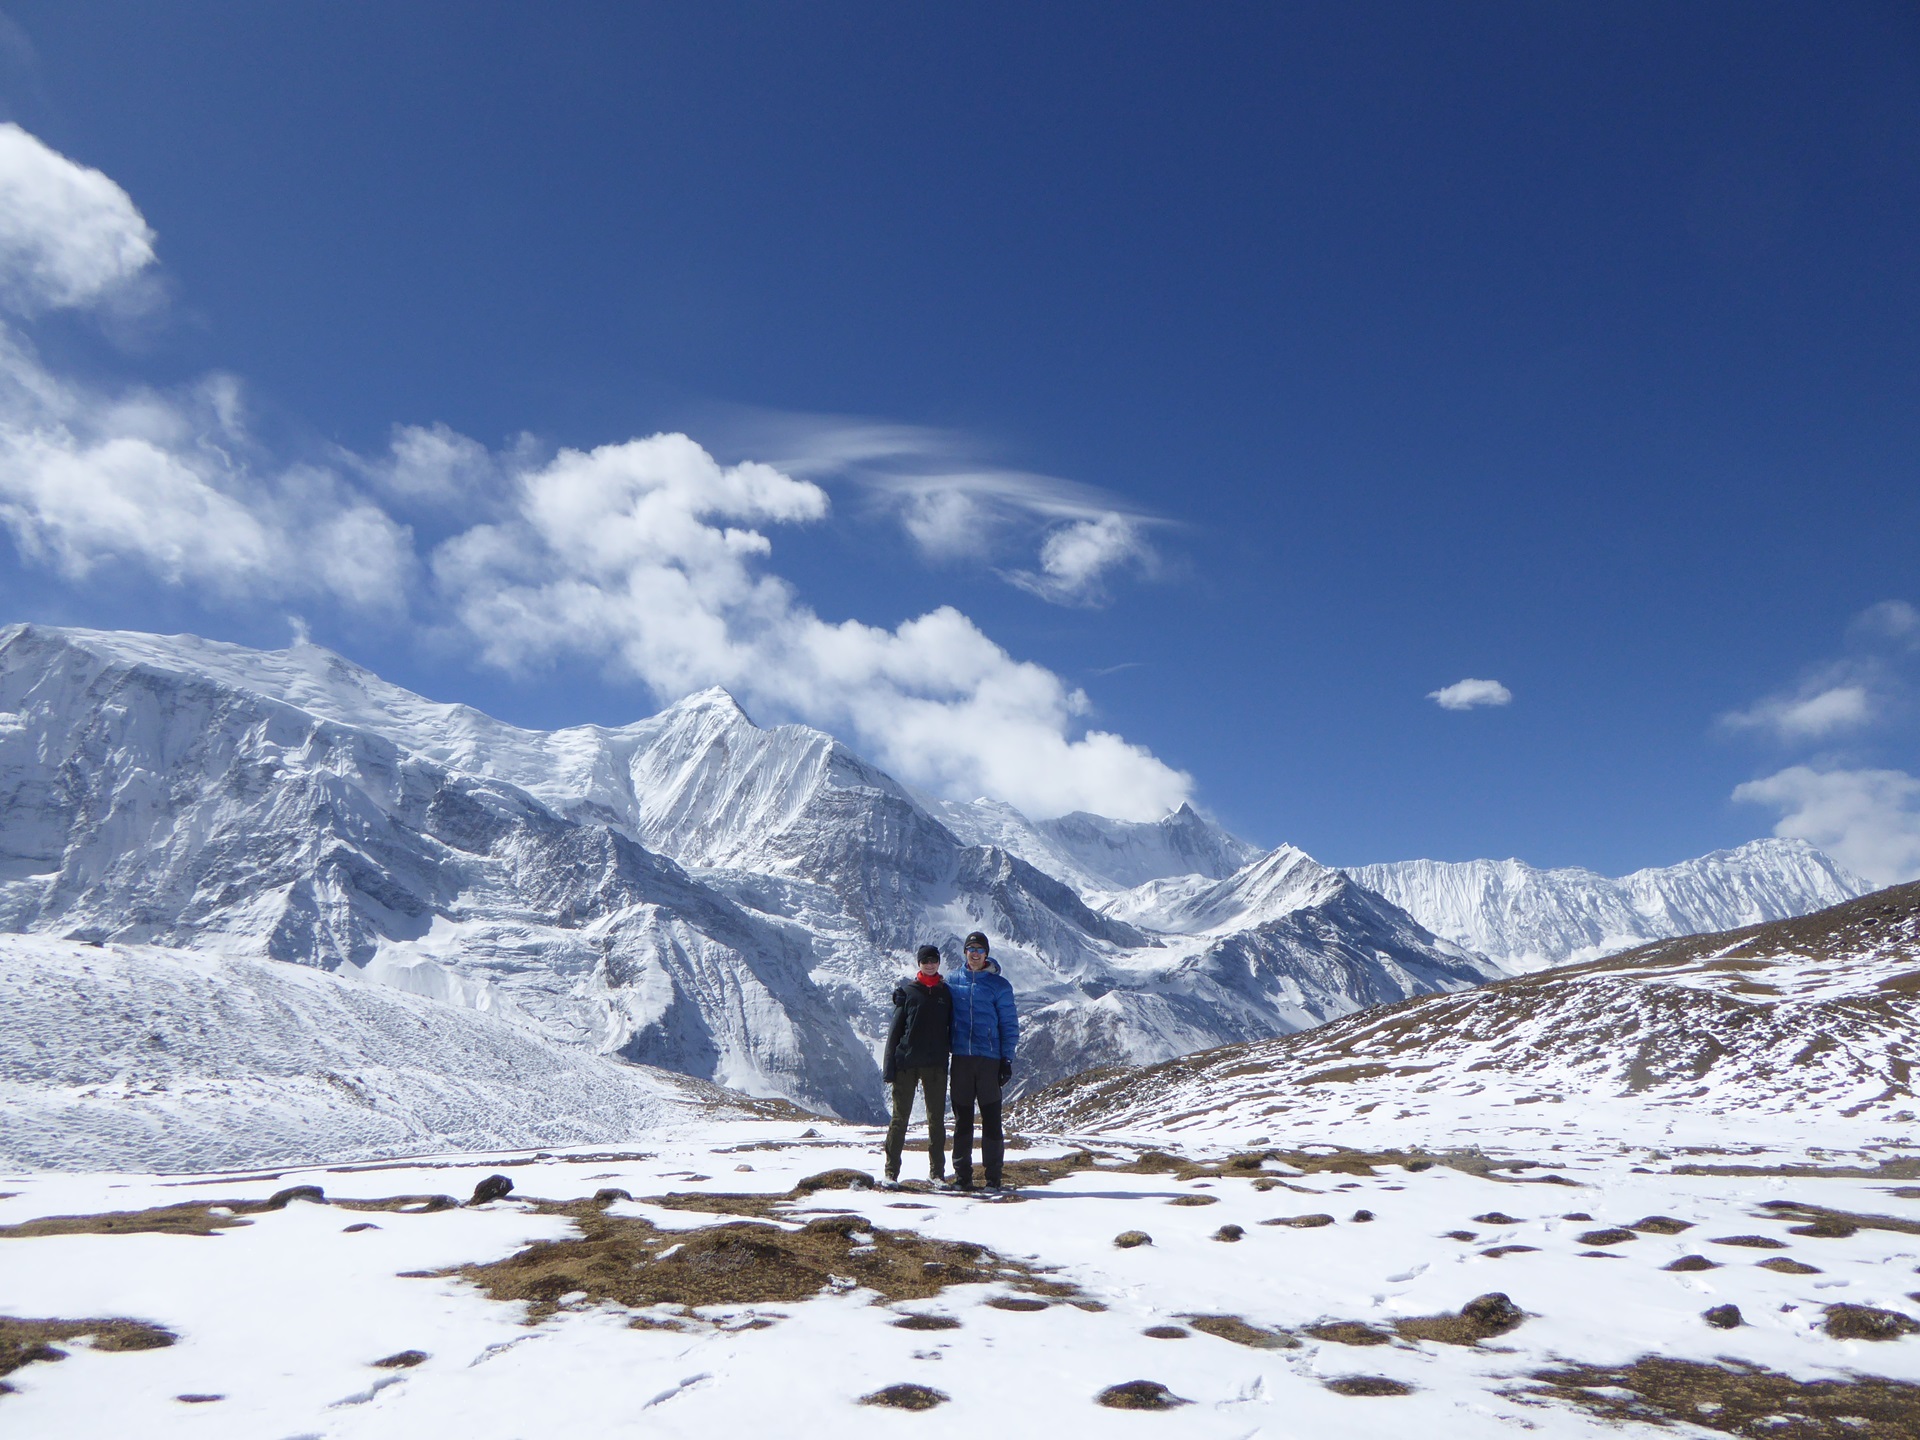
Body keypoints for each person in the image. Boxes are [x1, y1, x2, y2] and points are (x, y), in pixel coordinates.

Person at [946, 930, 1018, 1192]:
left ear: (986, 954)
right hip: (962, 1059)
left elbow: (1009, 1024)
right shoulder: (953, 980)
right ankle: (962, 1177)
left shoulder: (1000, 986)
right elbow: (933, 999)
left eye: (979, 950)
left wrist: (1006, 1059)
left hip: (989, 1060)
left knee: (991, 1120)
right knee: (962, 1121)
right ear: (965, 952)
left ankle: (993, 1178)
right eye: (971, 949)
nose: (975, 954)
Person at [882, 944, 952, 1185]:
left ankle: (937, 1174)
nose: (930, 964)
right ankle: (891, 1173)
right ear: (919, 963)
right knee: (900, 1119)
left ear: (939, 963)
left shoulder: (946, 993)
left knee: (936, 1121)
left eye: (934, 960)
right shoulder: (908, 993)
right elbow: (895, 1031)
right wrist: (889, 1066)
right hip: (907, 1064)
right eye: (926, 961)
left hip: (935, 1065)